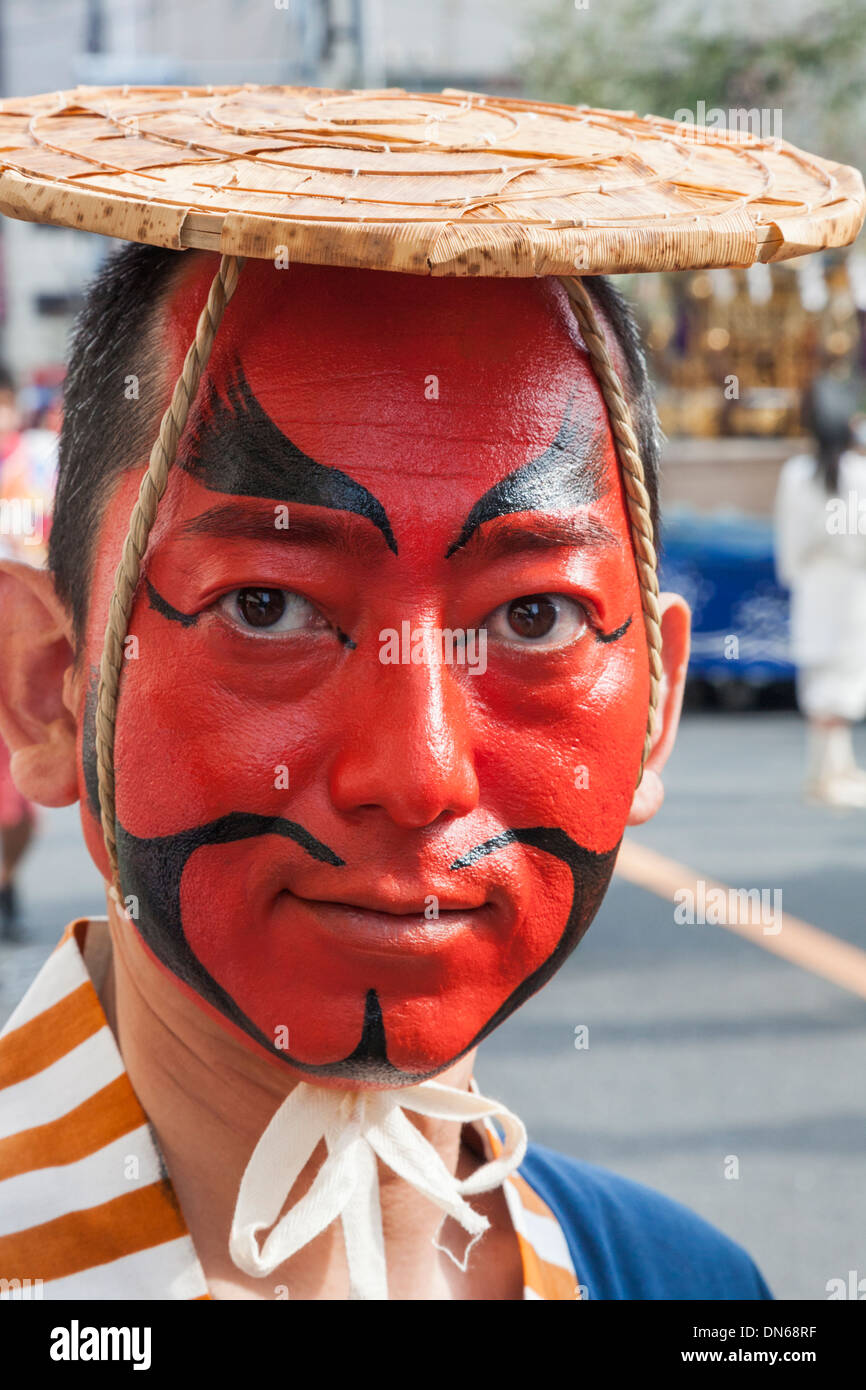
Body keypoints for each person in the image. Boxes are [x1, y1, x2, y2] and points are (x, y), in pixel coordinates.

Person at [0, 246, 775, 1300]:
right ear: (50, 690)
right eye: (266, 606)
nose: (417, 775)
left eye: (531, 615)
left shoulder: (688, 1289)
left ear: (654, 709)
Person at [775, 372, 866, 808]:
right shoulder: (858, 473)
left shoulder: (797, 473)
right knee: (842, 675)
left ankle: (833, 767)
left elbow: (789, 540)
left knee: (822, 675)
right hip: (849, 584)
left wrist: (794, 574)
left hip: (815, 584)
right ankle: (829, 775)